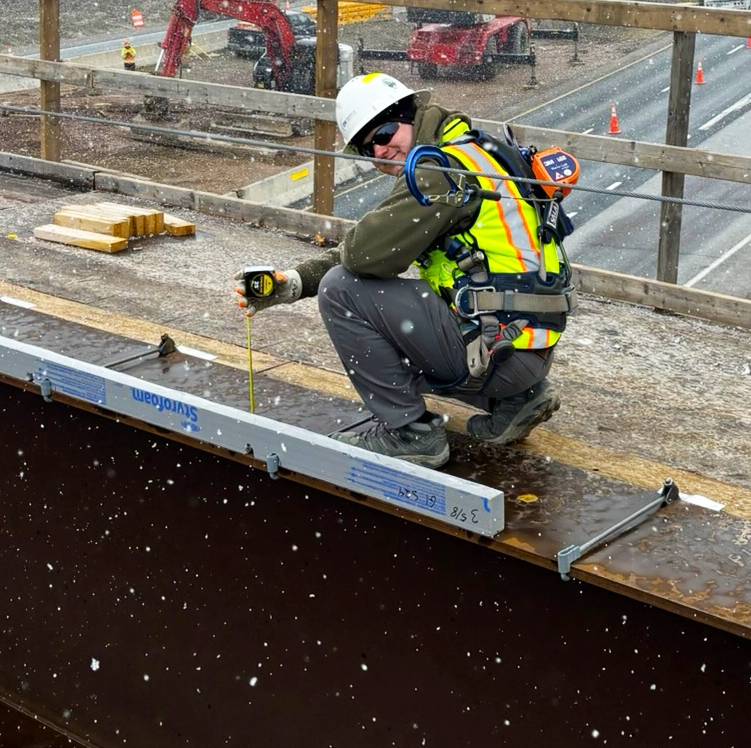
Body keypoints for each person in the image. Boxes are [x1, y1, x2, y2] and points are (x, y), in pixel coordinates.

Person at [233, 71, 571, 468]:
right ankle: (519, 399)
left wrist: (312, 282)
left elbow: (361, 255)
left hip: (497, 352)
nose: (379, 151)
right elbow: (379, 243)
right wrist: (293, 283)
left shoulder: (438, 173)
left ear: (410, 115)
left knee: (341, 290)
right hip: (525, 347)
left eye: (384, 133)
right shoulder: (473, 149)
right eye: (365, 148)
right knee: (384, 304)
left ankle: (412, 433)